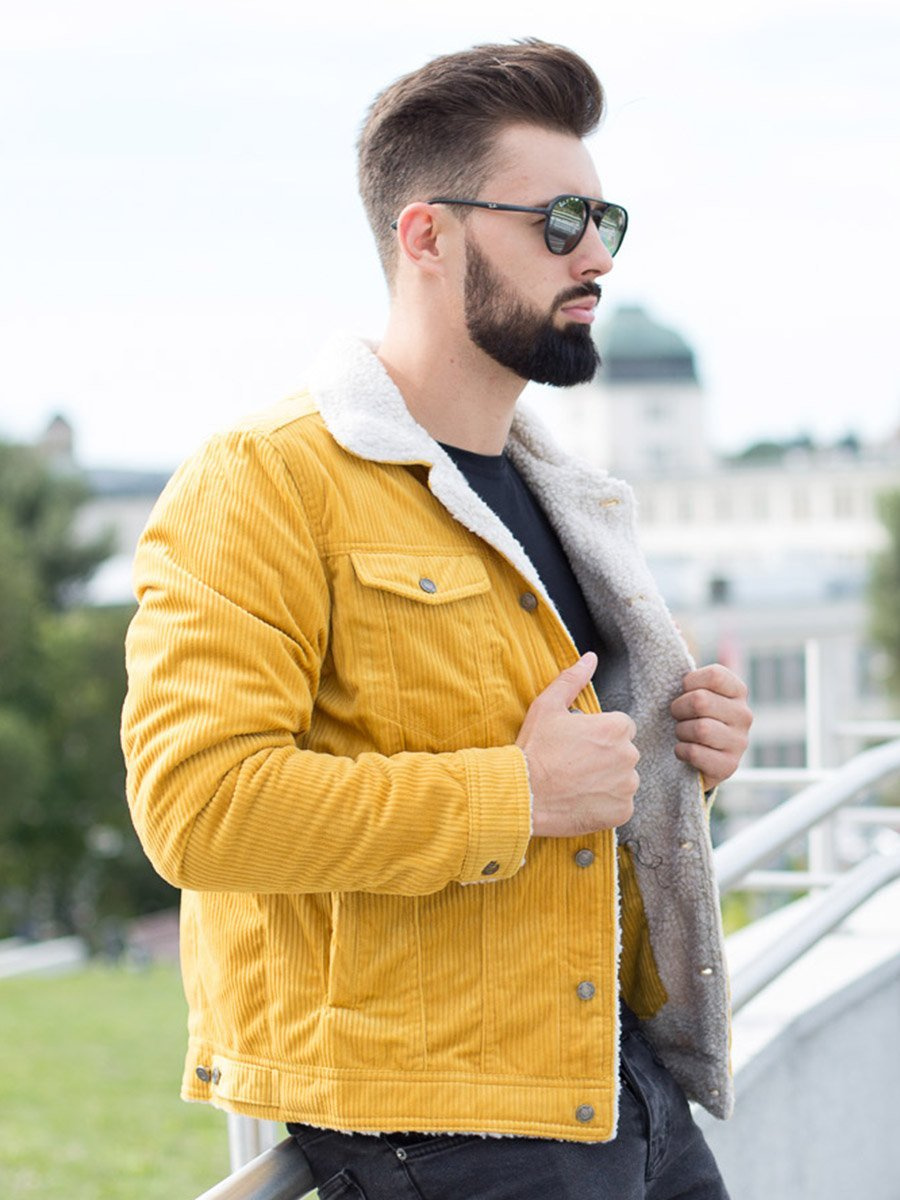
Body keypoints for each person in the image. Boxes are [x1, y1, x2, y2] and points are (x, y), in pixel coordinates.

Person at [122, 39, 752, 1199]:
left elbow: (569, 780)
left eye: (606, 219)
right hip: (445, 1128)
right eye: (560, 221)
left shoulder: (557, 490)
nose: (598, 255)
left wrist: (681, 752)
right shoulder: (263, 480)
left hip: (619, 1080)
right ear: (427, 237)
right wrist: (517, 793)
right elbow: (195, 807)